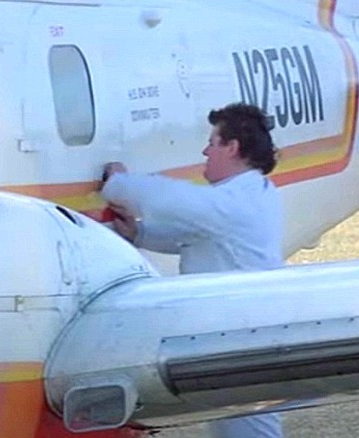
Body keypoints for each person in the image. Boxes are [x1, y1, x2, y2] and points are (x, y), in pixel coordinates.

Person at [100, 102, 284, 438]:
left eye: (213, 142)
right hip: (243, 333)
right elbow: (199, 237)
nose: (205, 150)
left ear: (232, 148)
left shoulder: (234, 202)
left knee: (247, 429)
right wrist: (140, 234)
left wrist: (118, 184)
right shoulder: (252, 194)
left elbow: (173, 199)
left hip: (240, 339)